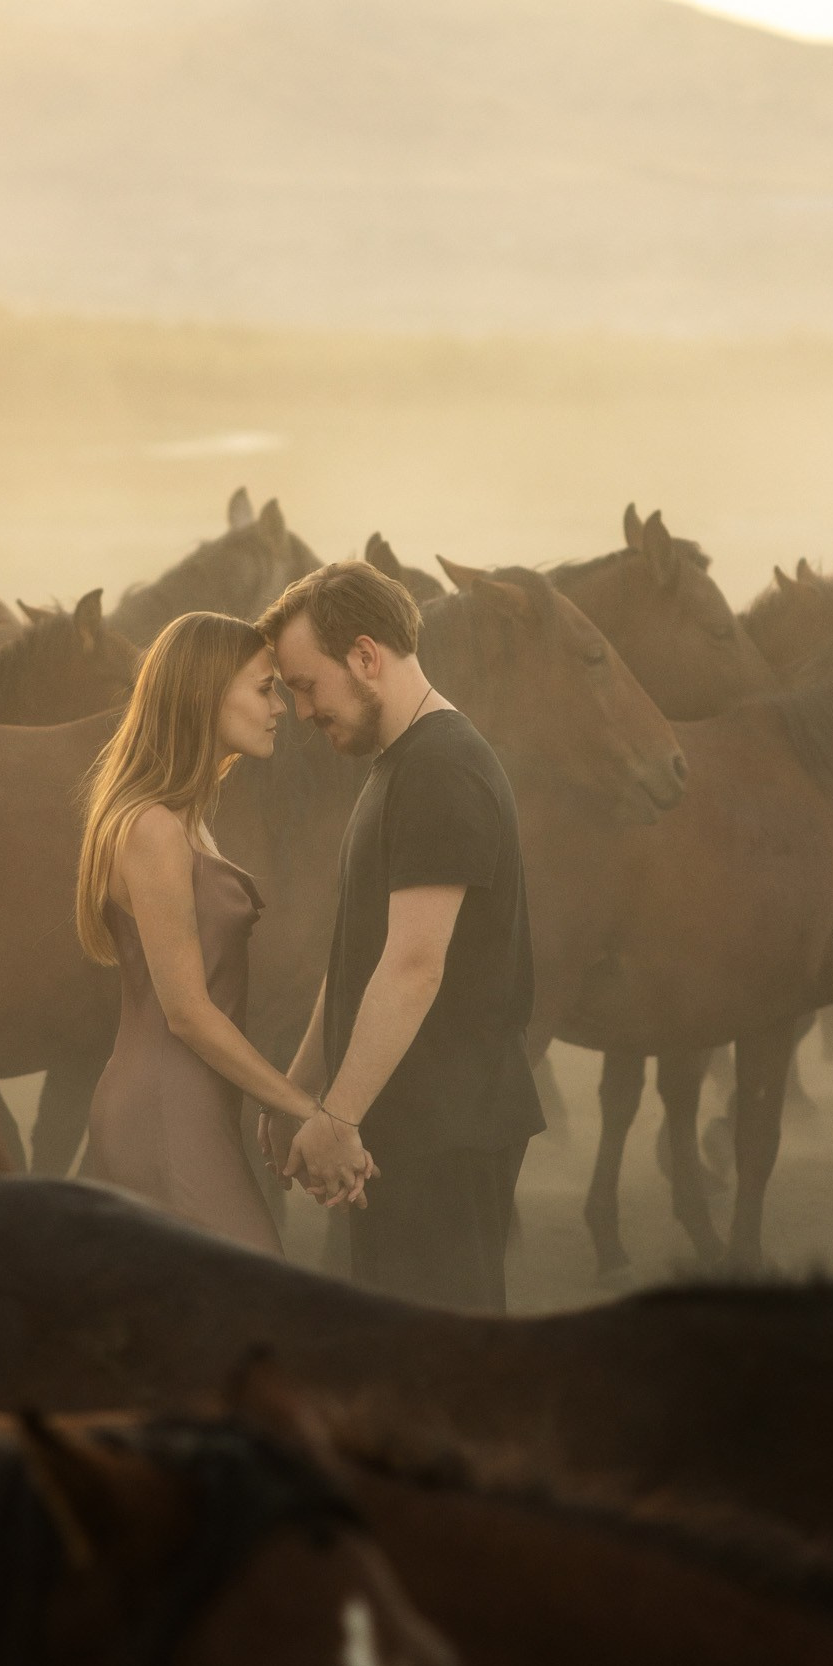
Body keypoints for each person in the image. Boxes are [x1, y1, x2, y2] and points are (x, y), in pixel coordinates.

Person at [255, 560, 539, 1312]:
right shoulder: (400, 765)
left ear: (364, 656)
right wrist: (302, 1088)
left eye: (306, 685)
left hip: (446, 1129)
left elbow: (413, 967)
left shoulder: (440, 770)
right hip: (410, 1123)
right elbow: (361, 958)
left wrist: (338, 1116)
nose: (303, 711)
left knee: (449, 1366)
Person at [75, 608, 341, 1251]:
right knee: (254, 1288)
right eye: (262, 687)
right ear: (203, 693)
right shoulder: (154, 830)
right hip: (165, 1114)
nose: (279, 706)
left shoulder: (183, 819)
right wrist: (307, 1111)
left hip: (191, 1110)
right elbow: (188, 1013)